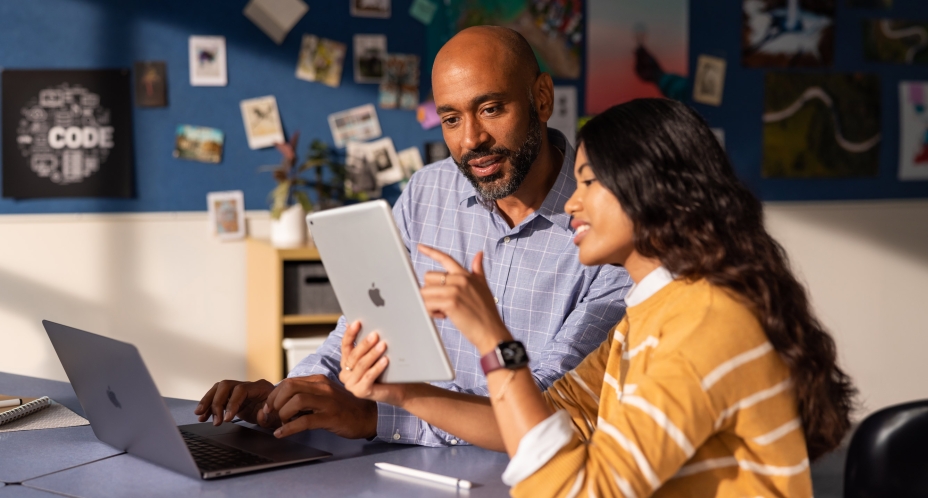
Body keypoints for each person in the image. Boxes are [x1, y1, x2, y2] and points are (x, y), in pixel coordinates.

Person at [338, 98, 857, 496]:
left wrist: (494, 338)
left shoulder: (706, 325)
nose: (572, 205)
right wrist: (403, 394)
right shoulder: (648, 315)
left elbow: (584, 491)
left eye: (588, 182)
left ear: (650, 188)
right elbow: (545, 418)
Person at [194, 26, 631, 446]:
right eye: (451, 118)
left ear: (542, 98)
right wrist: (290, 398)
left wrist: (375, 417)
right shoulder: (428, 190)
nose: (471, 139)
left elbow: (542, 406)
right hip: (401, 457)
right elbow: (363, 328)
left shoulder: (610, 229)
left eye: (491, 109)